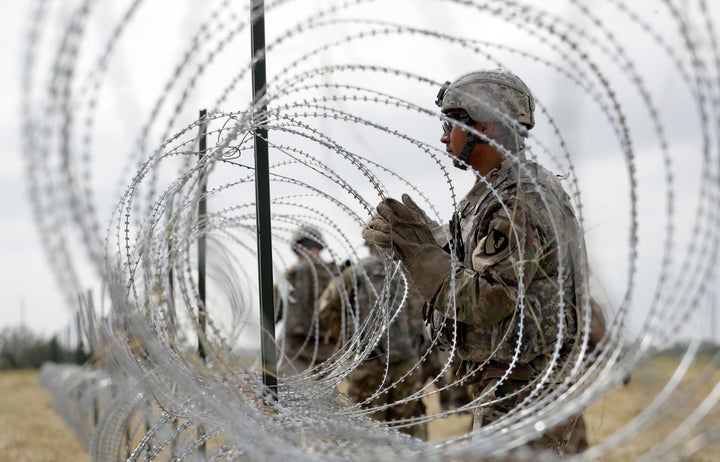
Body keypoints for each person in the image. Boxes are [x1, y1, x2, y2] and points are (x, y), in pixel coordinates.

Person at [363, 69, 591, 455]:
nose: (443, 136)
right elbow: (472, 262)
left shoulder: (519, 198)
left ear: (484, 127)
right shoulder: (491, 194)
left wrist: (420, 254)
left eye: (450, 124)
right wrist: (422, 239)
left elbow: (489, 300)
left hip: (524, 385)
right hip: (507, 382)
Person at [317, 244, 429, 440]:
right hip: (405, 362)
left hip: (371, 363)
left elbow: (325, 308)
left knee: (367, 433)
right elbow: (422, 318)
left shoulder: (358, 272)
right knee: (403, 434)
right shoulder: (408, 275)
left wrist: (345, 333)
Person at [275, 225, 339, 374]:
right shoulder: (336, 274)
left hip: (295, 351)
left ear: (297, 248)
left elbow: (271, 313)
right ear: (320, 247)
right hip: (327, 352)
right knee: (322, 396)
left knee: (286, 395)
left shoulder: (291, 274)